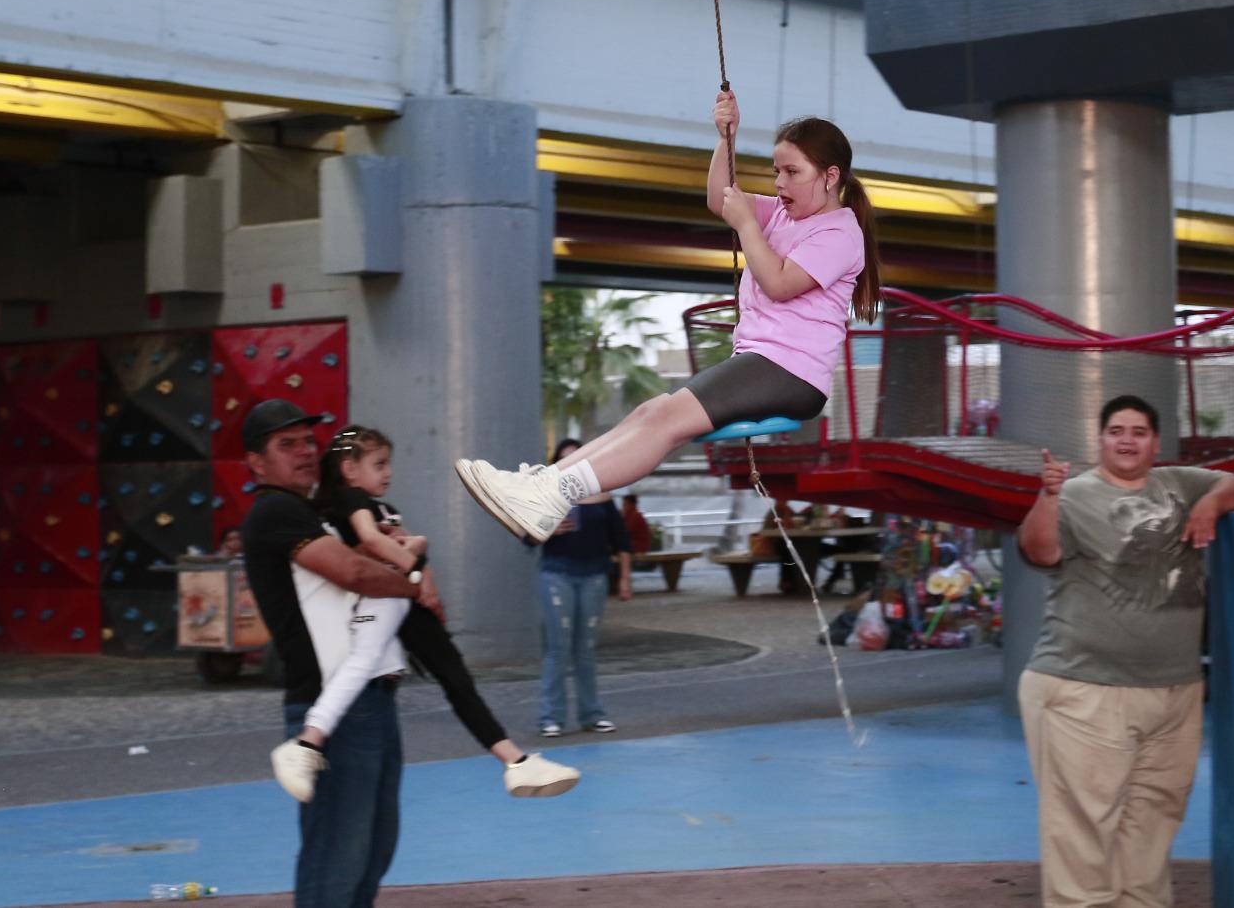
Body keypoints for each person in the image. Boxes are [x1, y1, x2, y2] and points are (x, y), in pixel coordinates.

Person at [455, 90, 881, 543]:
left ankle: (555, 492)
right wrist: (726, 138)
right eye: (777, 171)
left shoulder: (839, 232)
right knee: (652, 412)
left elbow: (778, 282)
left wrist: (747, 225)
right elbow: (721, 199)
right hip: (765, 361)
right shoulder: (783, 212)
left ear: (831, 176)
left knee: (664, 420)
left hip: (791, 371)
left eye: (792, 172)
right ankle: (542, 486)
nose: (779, 183)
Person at [1016, 394, 1234, 908]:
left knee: (1153, 822)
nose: (1127, 439)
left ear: (1155, 443)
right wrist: (1049, 496)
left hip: (1174, 691)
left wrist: (1210, 503)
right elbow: (1040, 551)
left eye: (1138, 431)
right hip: (1086, 687)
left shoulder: (1180, 484)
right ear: (1099, 440)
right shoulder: (1075, 494)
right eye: (1116, 430)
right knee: (1083, 831)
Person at [268, 424, 579, 803]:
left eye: (388, 464)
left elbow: (406, 543)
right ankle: (306, 743)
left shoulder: (384, 508)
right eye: (379, 464)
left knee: (454, 677)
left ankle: (515, 761)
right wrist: (412, 566)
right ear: (349, 469)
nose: (389, 472)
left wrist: (417, 556)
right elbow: (369, 540)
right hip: (384, 598)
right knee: (367, 665)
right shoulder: (351, 501)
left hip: (401, 602)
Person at [239, 399, 428, 908]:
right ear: (256, 462)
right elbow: (353, 574)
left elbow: (356, 567)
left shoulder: (307, 513)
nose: (304, 452)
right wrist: (416, 585)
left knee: (370, 848)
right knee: (339, 854)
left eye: (308, 441)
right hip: (335, 705)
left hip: (366, 699)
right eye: (287, 445)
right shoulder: (275, 511)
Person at [528, 438, 632, 737]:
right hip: (557, 574)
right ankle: (551, 717)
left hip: (594, 575)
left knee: (585, 649)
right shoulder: (546, 496)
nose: (572, 463)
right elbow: (526, 537)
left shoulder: (602, 494)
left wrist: (625, 578)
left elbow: (620, 538)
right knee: (558, 648)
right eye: (565, 459)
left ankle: (592, 714)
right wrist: (548, 529)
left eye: (578, 458)